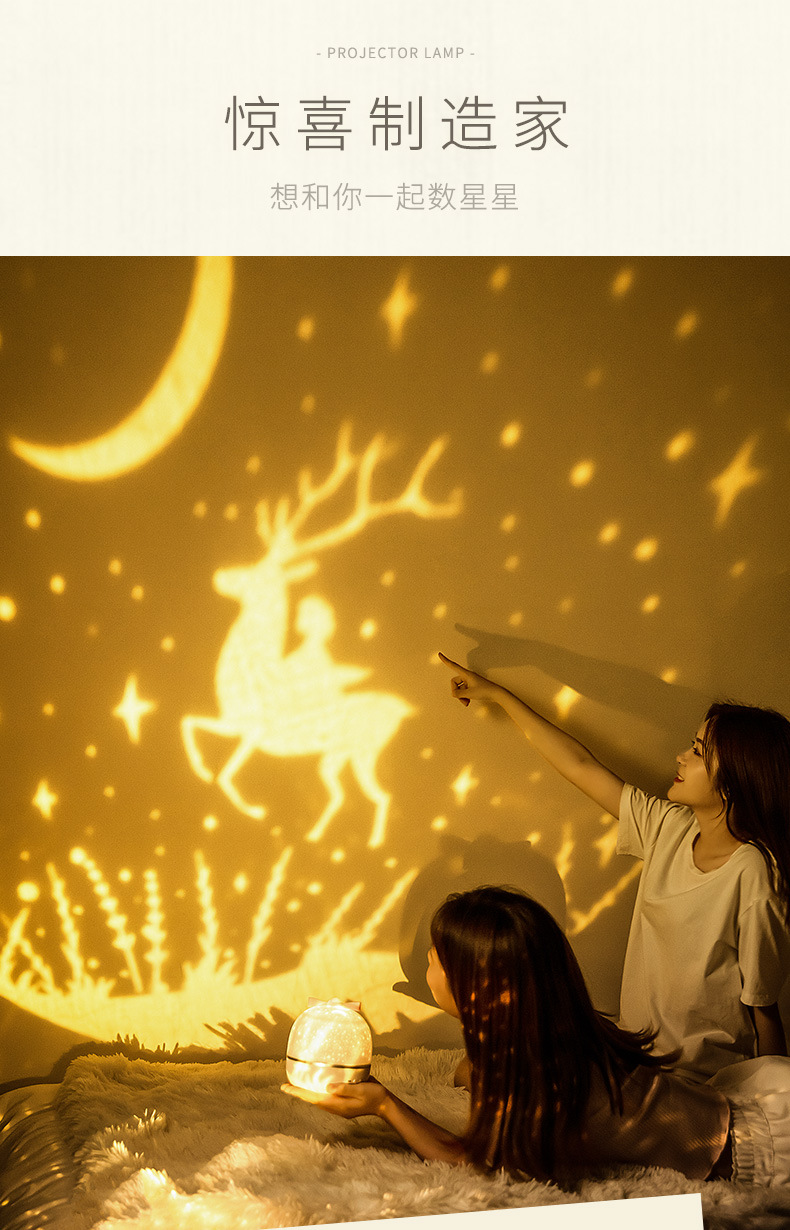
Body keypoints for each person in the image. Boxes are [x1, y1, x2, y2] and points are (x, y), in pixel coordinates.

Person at [282, 887, 790, 1186]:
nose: (426, 965)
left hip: (758, 1150)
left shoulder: (539, 1072)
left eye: (435, 959)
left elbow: (476, 1163)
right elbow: (472, 1072)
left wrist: (385, 1105)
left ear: (475, 987)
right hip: (758, 1099)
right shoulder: (546, 1028)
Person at [436, 654, 790, 1082]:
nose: (681, 756)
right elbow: (579, 765)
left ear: (734, 780)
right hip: (636, 1056)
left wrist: (776, 1099)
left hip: (701, 1081)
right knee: (476, 1069)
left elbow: (763, 1007)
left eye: (698, 751)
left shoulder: (754, 874)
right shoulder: (668, 827)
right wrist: (498, 695)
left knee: (502, 1078)